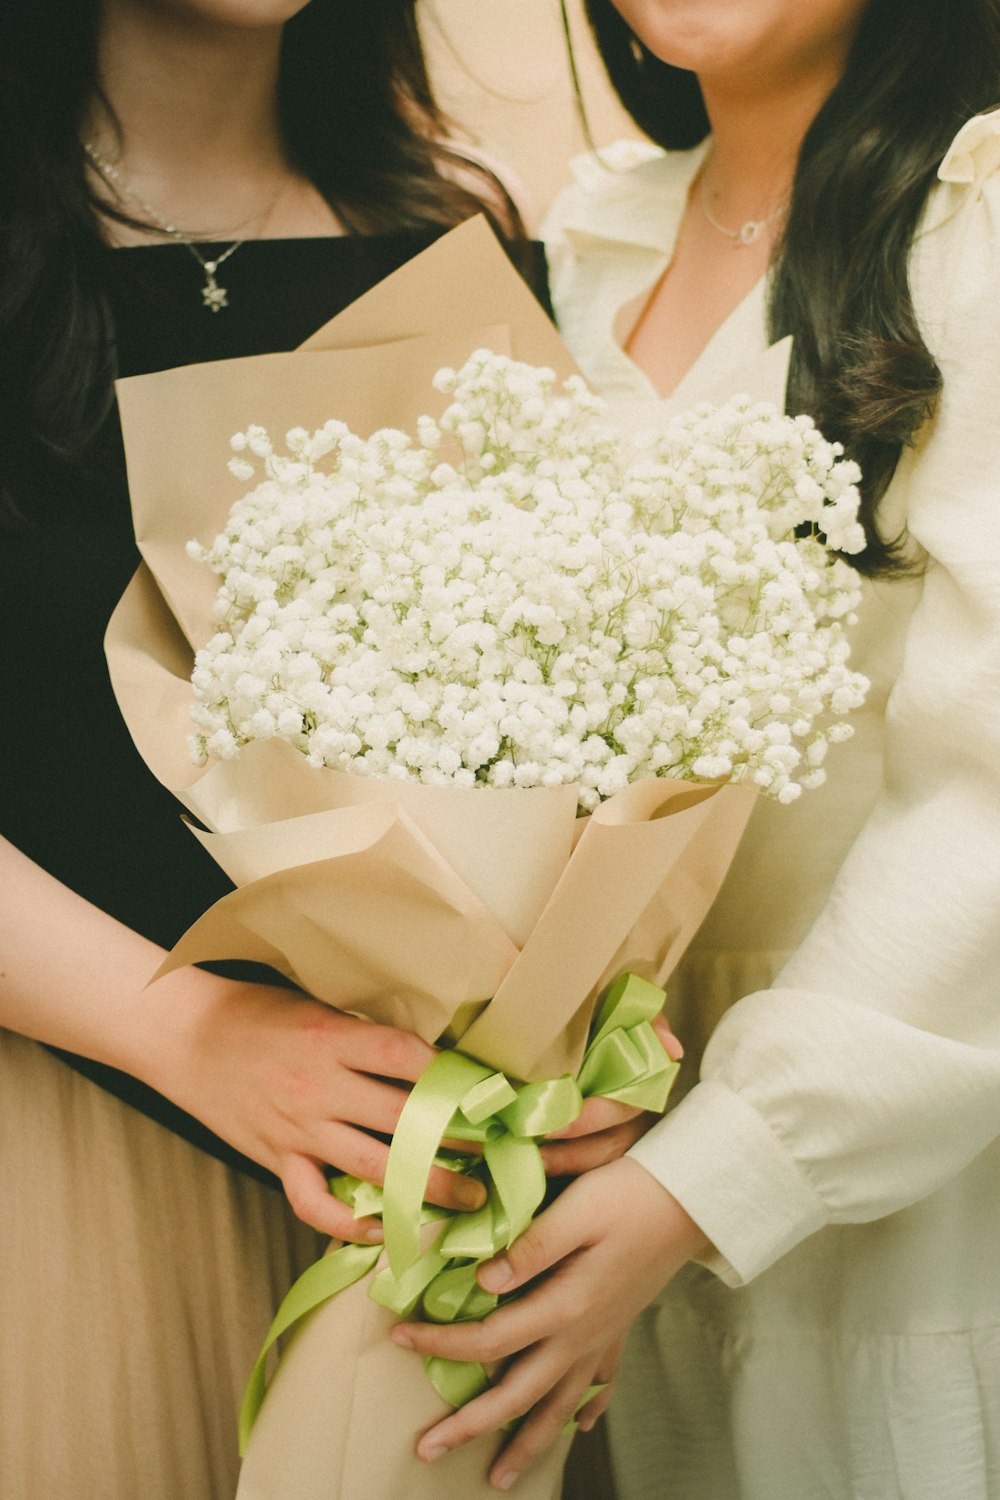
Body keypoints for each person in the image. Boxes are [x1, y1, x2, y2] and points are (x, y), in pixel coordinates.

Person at [0, 3, 662, 1495]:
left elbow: (565, 751)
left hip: (419, 1204)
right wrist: (188, 1038)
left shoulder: (454, 246)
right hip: (74, 1158)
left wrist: (590, 1044)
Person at [391, 2, 1000, 1496]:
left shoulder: (975, 222)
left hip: (894, 1122)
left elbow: (986, 788)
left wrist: (710, 1177)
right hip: (594, 1130)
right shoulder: (588, 235)